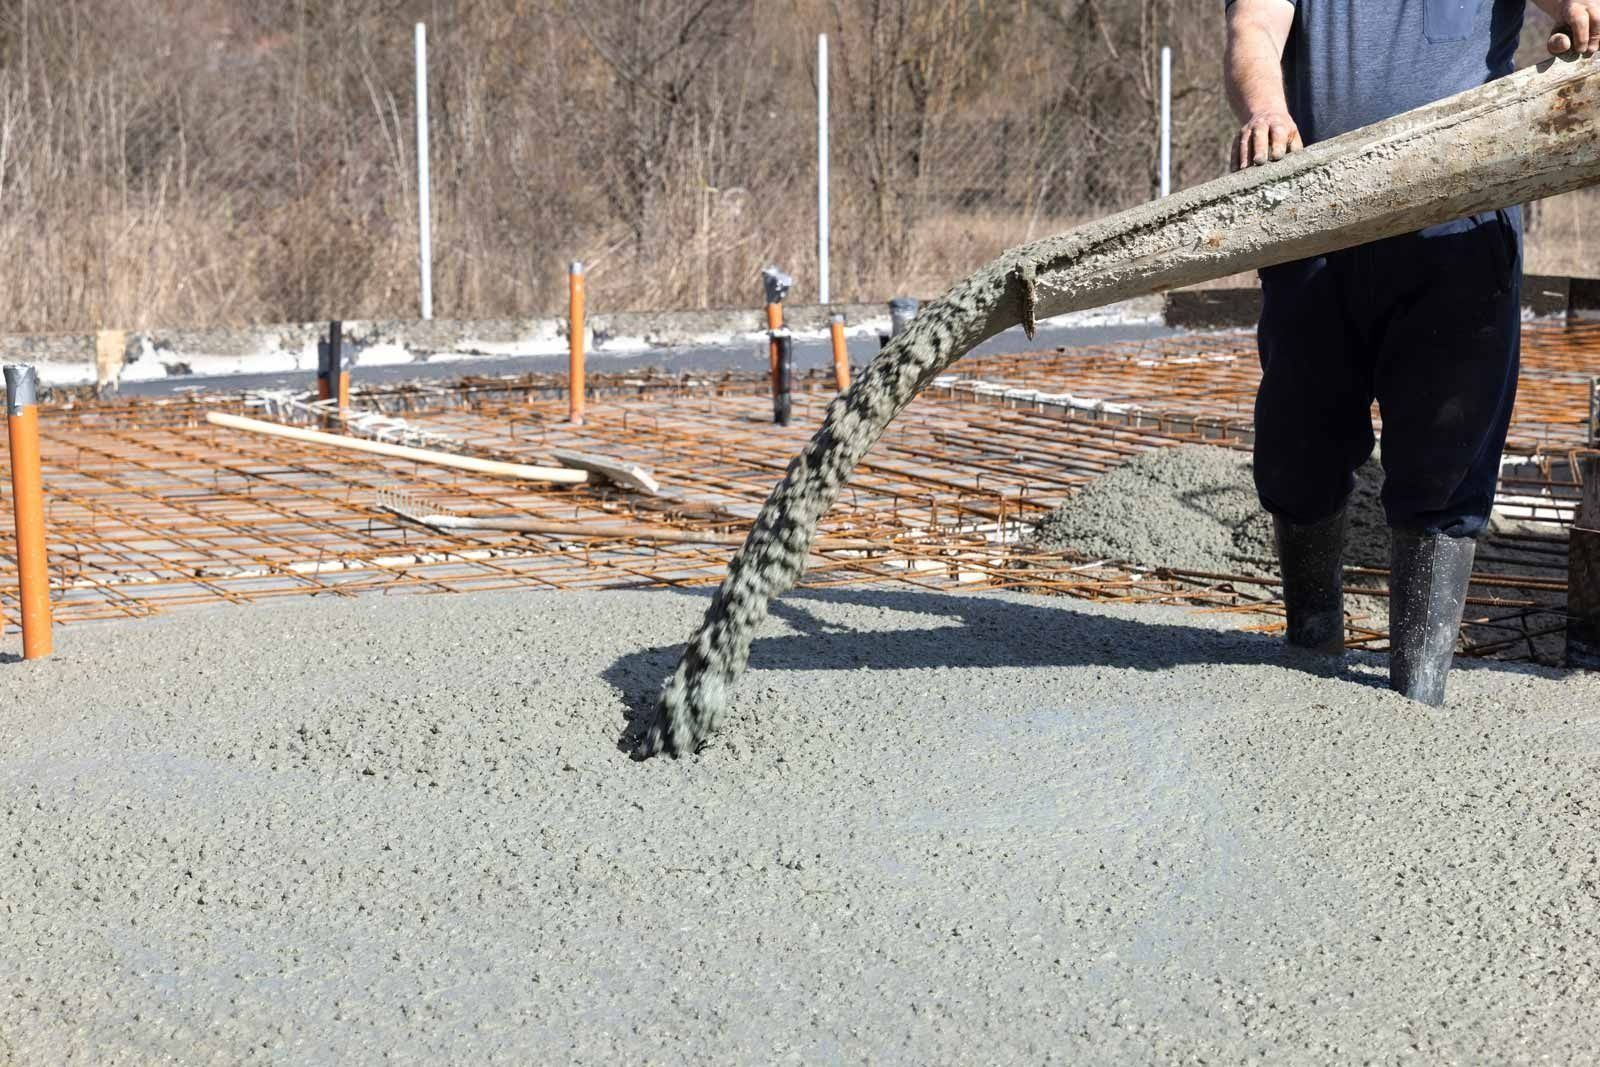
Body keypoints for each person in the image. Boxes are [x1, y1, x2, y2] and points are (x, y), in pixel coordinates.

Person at [1224, 0, 1600, 704]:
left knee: (1447, 457)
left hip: (1458, 229)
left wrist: (1583, 21)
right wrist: (1265, 109)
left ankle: (1418, 691)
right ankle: (1310, 645)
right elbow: (1254, 26)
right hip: (1314, 214)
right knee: (1299, 442)